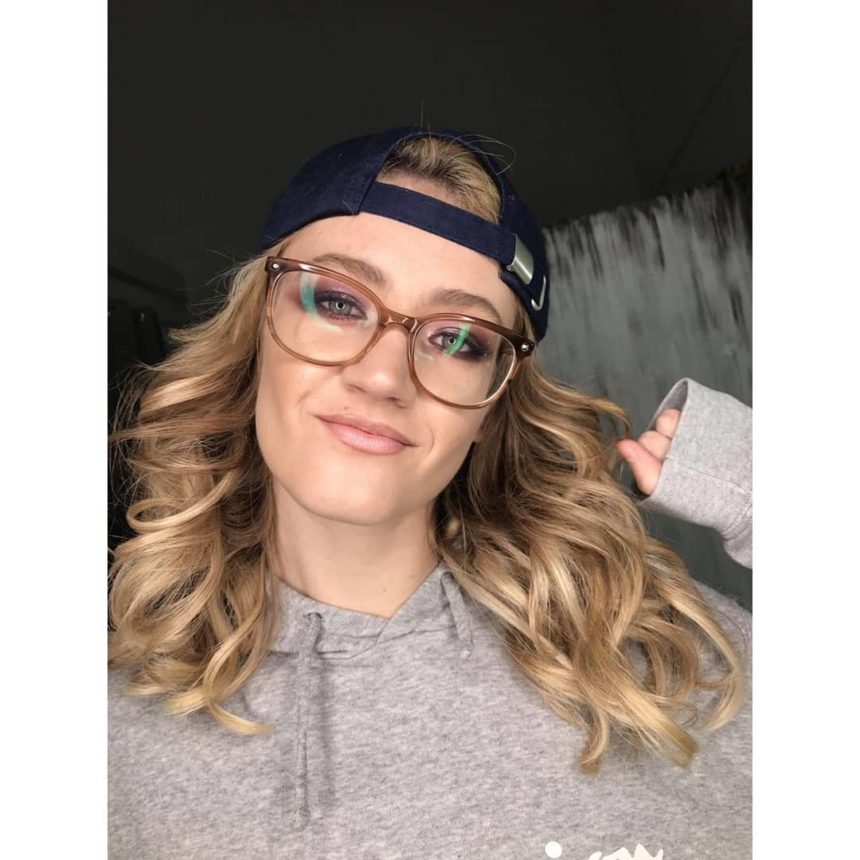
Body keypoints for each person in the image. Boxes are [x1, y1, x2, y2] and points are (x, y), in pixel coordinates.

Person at [108, 127, 752, 860]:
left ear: (490, 408)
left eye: (458, 339)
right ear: (256, 334)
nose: (384, 377)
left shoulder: (670, 659)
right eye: (338, 301)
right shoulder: (110, 742)